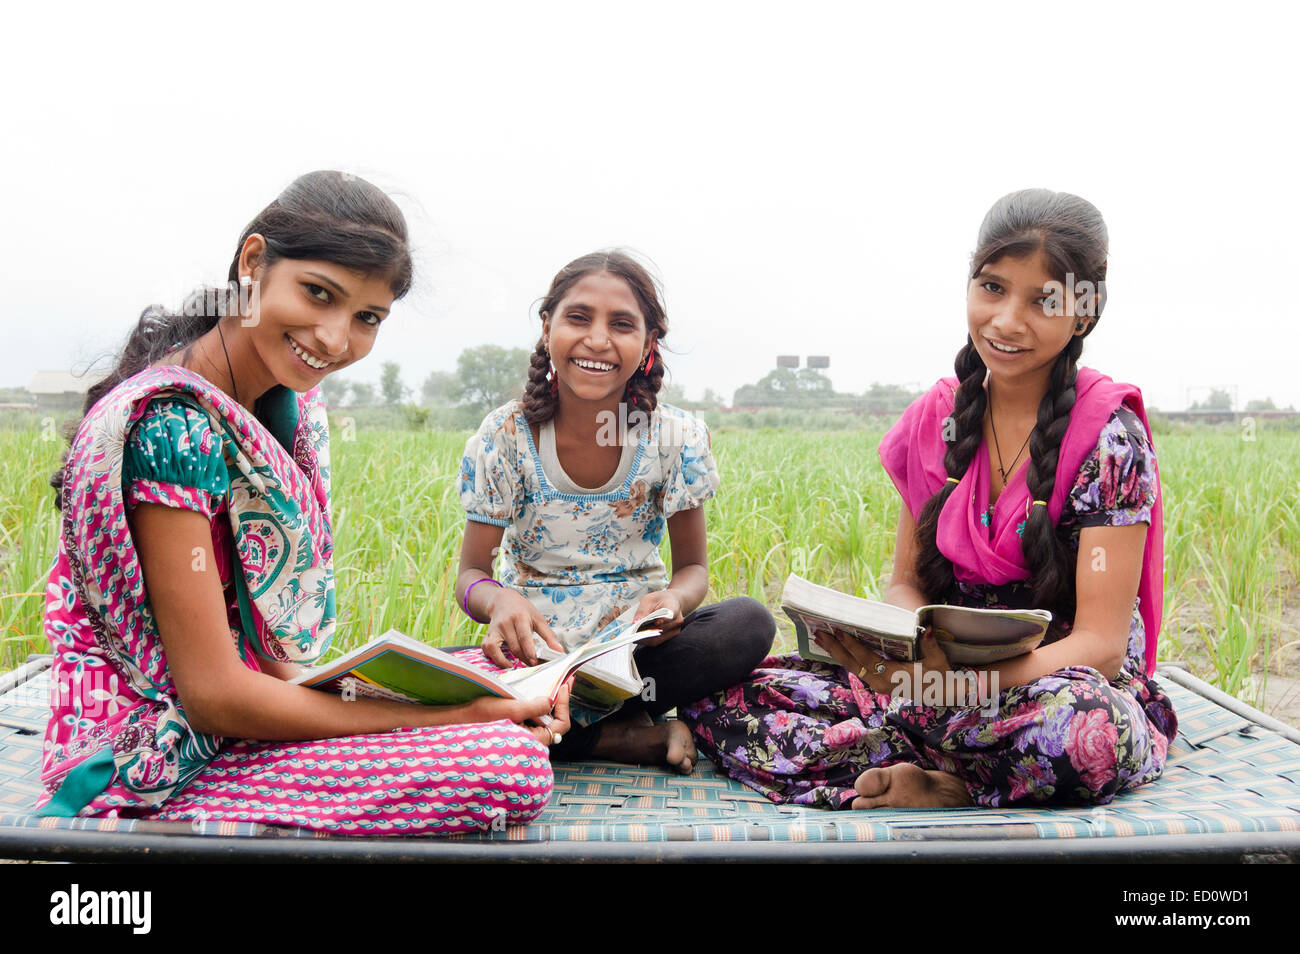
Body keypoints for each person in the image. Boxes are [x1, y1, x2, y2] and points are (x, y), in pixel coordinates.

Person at [38, 171, 569, 835]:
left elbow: (260, 651)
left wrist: (455, 699)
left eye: (366, 318)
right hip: (161, 746)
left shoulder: (280, 404)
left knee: (510, 671)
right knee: (505, 766)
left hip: (246, 695)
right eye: (318, 294)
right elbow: (211, 697)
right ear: (254, 263)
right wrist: (453, 718)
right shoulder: (174, 427)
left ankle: (510, 711)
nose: (334, 338)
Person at [683, 189, 1179, 809]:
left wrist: (958, 693)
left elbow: (1103, 644)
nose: (1007, 320)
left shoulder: (1110, 438)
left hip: (1048, 687)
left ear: (1085, 311)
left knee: (1086, 731)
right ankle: (951, 765)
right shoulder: (937, 420)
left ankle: (943, 781)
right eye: (993, 288)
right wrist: (905, 664)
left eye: (1043, 300)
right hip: (932, 686)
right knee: (724, 696)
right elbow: (906, 585)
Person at [455, 250, 775, 774]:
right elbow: (470, 576)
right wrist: (499, 602)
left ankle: (553, 729)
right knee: (425, 696)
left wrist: (673, 599)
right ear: (546, 327)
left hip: (632, 658)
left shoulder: (674, 438)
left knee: (748, 624)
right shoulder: (504, 436)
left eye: (622, 325)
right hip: (536, 656)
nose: (598, 340)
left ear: (648, 343)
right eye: (578, 318)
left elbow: (694, 570)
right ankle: (610, 737)